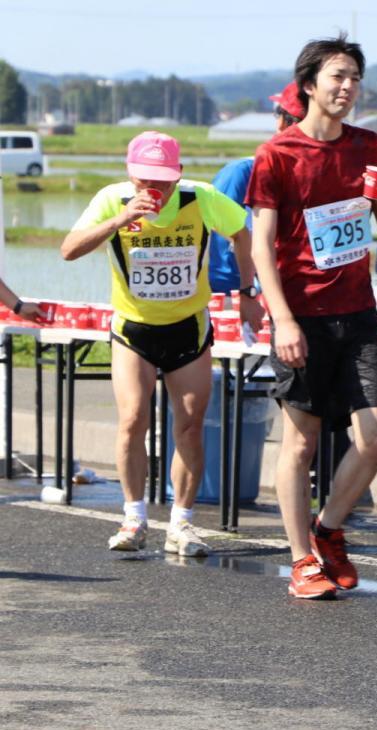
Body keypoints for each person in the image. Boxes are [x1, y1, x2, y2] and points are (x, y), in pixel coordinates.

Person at [246, 34, 377, 599]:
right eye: (338, 77)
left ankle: (329, 528)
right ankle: (300, 561)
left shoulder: (371, 145)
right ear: (308, 86)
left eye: (355, 78)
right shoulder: (278, 155)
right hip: (302, 315)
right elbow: (261, 245)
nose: (347, 88)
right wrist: (281, 320)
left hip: (358, 310)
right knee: (300, 443)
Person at [61, 131, 258, 556]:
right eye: (144, 180)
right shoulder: (112, 199)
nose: (154, 189)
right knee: (133, 419)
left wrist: (246, 294)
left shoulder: (200, 198)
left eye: (163, 180)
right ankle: (133, 518)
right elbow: (68, 250)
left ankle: (182, 525)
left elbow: (244, 234)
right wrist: (120, 219)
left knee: (189, 424)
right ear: (130, 175)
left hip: (188, 327)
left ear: (179, 174)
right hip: (134, 329)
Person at [207, 82, 304, 294]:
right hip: (233, 288)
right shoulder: (243, 171)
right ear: (282, 124)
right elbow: (217, 227)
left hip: (284, 287)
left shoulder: (309, 177)